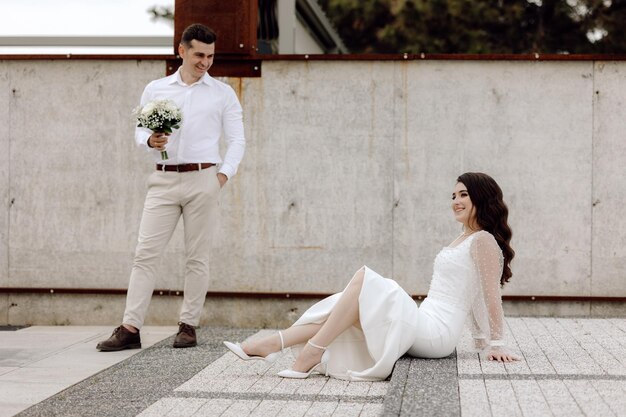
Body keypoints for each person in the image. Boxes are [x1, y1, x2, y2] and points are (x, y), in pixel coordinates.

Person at [224, 172, 518, 380]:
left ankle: (309, 352)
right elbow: (475, 293)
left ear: (482, 196)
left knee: (369, 281)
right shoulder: (463, 238)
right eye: (453, 195)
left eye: (463, 195)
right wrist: (481, 340)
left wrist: (495, 344)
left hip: (436, 334)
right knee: (351, 304)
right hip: (424, 320)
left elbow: (490, 295)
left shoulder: (482, 241)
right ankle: (273, 344)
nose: (455, 200)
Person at [97, 24, 245, 351]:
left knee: (197, 257)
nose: (205, 62)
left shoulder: (222, 93)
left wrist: (221, 177)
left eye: (210, 56)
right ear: (181, 51)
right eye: (198, 55)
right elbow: (139, 130)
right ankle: (130, 328)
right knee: (144, 254)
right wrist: (150, 139)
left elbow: (237, 140)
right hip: (162, 179)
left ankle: (188, 325)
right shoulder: (156, 89)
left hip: (203, 179)